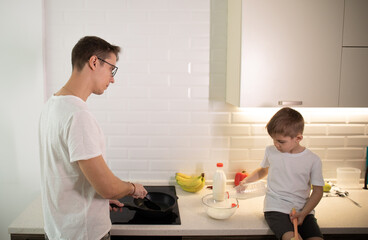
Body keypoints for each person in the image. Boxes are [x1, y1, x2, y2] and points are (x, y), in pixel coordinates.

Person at [39, 36, 148, 240]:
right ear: (94, 62)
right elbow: (108, 187)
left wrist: (95, 201)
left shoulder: (52, 106)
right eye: (111, 69)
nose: (113, 78)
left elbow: (65, 174)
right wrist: (133, 188)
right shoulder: (78, 115)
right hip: (83, 234)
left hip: (59, 230)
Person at [236, 107, 324, 240]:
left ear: (298, 138)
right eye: (274, 140)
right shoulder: (271, 151)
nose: (276, 145)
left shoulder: (313, 160)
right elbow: (263, 171)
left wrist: (304, 213)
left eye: (281, 141)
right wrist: (246, 181)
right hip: (276, 208)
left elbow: (318, 191)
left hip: (304, 210)